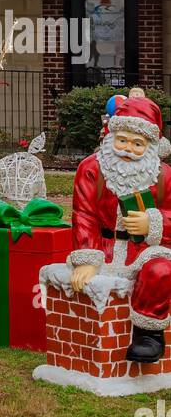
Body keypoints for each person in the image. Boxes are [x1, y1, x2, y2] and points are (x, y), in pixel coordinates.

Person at [68, 91, 171, 363]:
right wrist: (87, 258)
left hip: (145, 251)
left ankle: (149, 334)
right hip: (104, 248)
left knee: (161, 271)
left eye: (137, 144)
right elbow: (84, 215)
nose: (127, 149)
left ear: (151, 146)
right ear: (111, 137)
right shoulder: (91, 169)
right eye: (122, 140)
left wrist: (154, 222)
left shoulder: (164, 177)